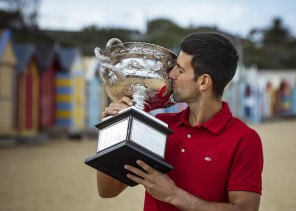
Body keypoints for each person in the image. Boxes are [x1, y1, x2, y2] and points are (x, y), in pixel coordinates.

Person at [97, 32, 264, 211]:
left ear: (203, 82)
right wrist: (115, 128)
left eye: (180, 69)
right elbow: (107, 190)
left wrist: (174, 195)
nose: (171, 74)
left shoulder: (244, 139)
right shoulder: (159, 125)